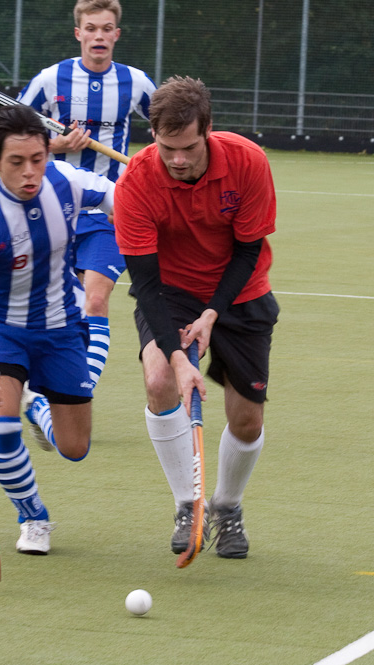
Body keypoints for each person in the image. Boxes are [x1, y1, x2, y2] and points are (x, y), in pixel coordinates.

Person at [113, 76, 280, 559]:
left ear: (208, 130)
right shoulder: (135, 183)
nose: (178, 160)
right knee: (160, 379)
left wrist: (212, 314)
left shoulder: (248, 161)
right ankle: (189, 505)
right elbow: (146, 285)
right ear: (153, 136)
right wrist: (177, 357)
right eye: (167, 148)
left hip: (241, 290)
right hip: (172, 289)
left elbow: (248, 250)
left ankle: (226, 506)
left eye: (188, 147)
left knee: (247, 421)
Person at [0, 104, 115, 555]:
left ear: (48, 153)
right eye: (16, 162)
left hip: (62, 327)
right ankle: (33, 517)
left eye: (38, 159)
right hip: (4, 330)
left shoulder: (66, 181)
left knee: (75, 447)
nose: (29, 172)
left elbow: (118, 197)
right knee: (2, 432)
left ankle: (37, 405)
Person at [15, 0, 155, 450]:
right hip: (54, 210)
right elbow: (12, 131)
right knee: (58, 310)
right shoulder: (51, 79)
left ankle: (68, 401)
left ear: (117, 34)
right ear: (78, 33)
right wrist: (53, 145)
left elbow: (169, 126)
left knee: (95, 301)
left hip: (109, 211)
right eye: (91, 28)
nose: (98, 36)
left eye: (106, 28)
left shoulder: (135, 83)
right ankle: (45, 401)